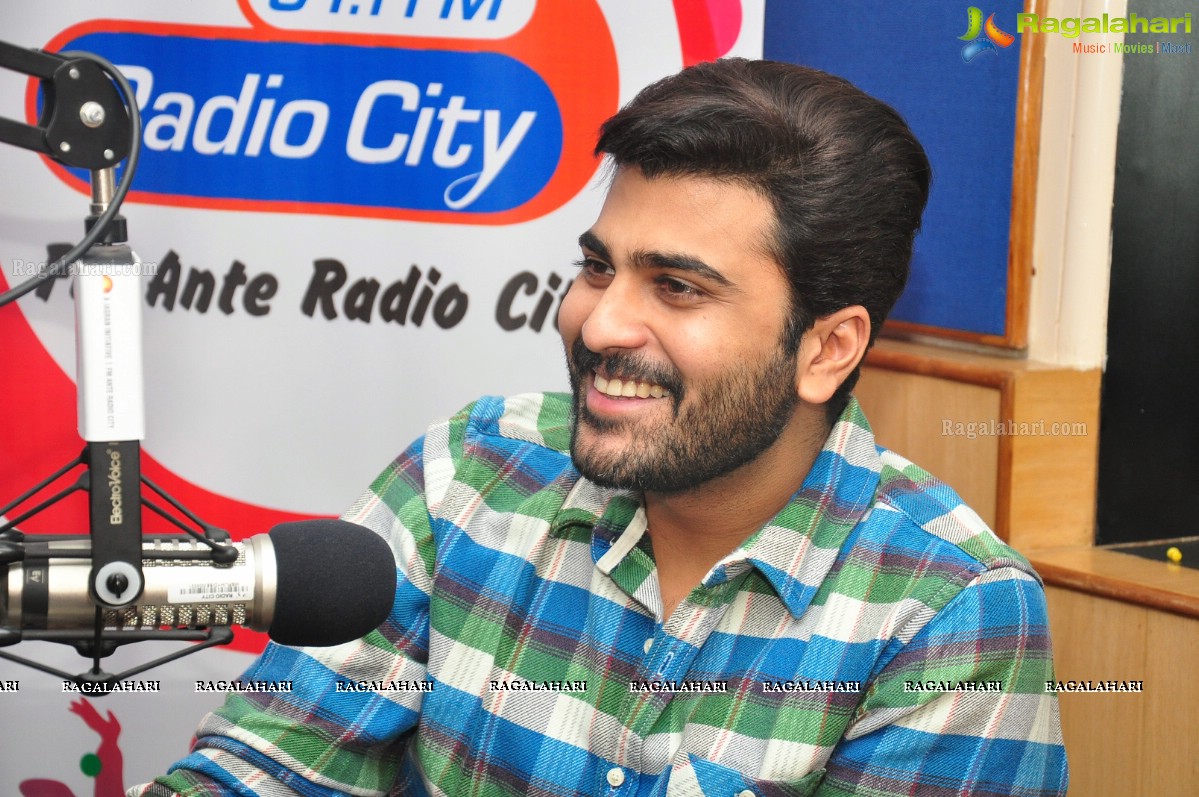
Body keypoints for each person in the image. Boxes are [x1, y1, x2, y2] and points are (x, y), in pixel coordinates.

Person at [129, 58, 1068, 796]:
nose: (599, 322)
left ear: (826, 349)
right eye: (596, 267)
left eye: (677, 287)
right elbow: (269, 766)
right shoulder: (472, 469)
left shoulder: (947, 616)